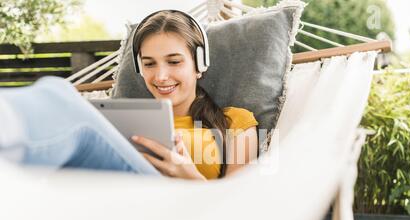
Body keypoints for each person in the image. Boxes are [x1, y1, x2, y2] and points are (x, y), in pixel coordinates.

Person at [0, 10, 258, 180]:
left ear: (199, 64)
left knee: (57, 92)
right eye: (149, 64)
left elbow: (239, 212)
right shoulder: (119, 119)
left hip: (179, 212)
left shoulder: (235, 123)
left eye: (174, 62)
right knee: (60, 99)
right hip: (114, 208)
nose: (160, 76)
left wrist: (189, 176)